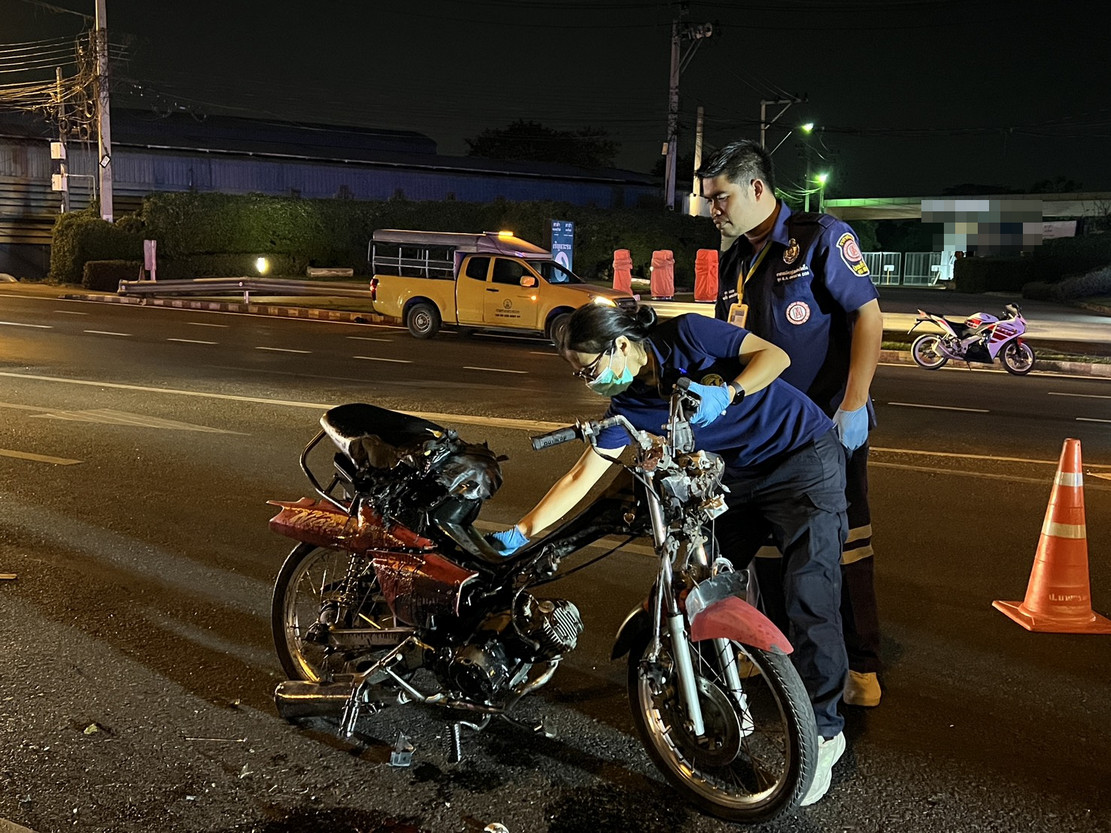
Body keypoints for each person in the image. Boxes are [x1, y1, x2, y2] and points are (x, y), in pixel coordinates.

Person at [489, 303, 850, 806]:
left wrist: (728, 391)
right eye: (579, 374)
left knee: (810, 592)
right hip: (737, 476)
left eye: (589, 369)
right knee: (699, 584)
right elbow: (581, 475)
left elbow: (775, 357)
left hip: (801, 456)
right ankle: (724, 683)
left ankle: (826, 732)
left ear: (620, 345)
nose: (588, 382)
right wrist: (523, 530)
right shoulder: (629, 407)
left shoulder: (686, 335)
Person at [696, 139, 885, 709]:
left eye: (721, 197)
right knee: (771, 547)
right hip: (762, 432)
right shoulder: (736, 257)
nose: (712, 210)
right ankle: (777, 651)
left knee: (843, 545)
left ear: (757, 188)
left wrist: (854, 402)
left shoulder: (820, 237)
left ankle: (861, 663)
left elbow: (868, 317)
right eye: (708, 200)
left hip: (827, 426)